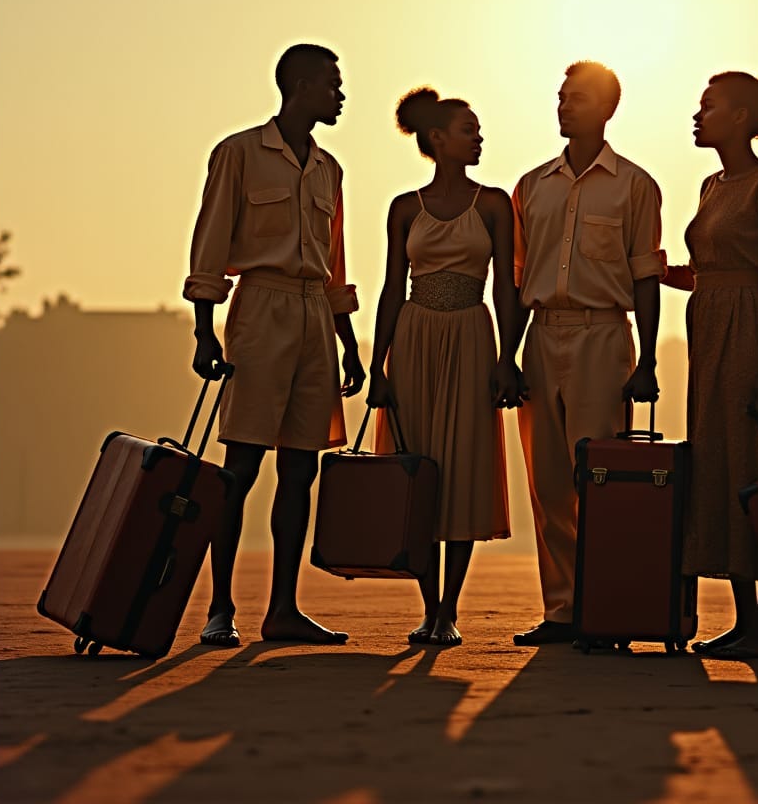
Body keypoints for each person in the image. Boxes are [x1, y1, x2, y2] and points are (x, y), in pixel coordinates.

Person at [184, 43, 365, 648]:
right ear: (302, 85)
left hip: (316, 315)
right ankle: (220, 607)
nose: (340, 95)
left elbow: (333, 264)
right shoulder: (238, 153)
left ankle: (282, 609)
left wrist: (348, 342)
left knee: (300, 467)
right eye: (332, 84)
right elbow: (210, 242)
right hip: (259, 308)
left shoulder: (329, 170)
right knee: (240, 466)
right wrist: (205, 328)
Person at [510, 61, 664, 646]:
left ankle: (604, 607)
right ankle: (563, 611)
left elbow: (645, 275)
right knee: (548, 481)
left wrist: (647, 359)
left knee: (598, 480)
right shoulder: (532, 186)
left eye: (576, 98)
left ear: (606, 109)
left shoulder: (635, 186)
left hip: (604, 336)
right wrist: (509, 355)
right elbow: (520, 276)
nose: (563, 106)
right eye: (560, 96)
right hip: (542, 335)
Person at [367, 87, 520, 647]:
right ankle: (427, 605)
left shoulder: (495, 203)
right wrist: (376, 364)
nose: (478, 138)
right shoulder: (405, 207)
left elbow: (508, 286)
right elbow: (389, 288)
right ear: (437, 139)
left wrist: (509, 356)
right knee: (418, 471)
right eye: (468, 129)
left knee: (463, 469)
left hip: (472, 336)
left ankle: (449, 609)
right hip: (414, 337)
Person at [661, 70, 758, 660]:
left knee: (754, 468)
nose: (698, 115)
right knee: (718, 463)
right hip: (709, 329)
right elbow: (712, 270)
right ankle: (746, 623)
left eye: (709, 106)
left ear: (740, 118)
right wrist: (668, 277)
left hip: (751, 337)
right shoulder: (712, 186)